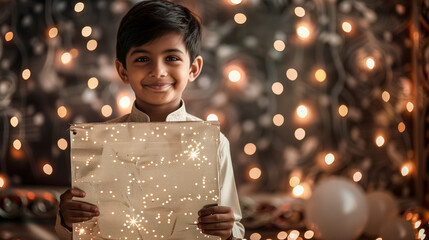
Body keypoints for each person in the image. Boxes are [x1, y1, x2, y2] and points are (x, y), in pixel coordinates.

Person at [55, 1, 245, 239]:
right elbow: (80, 230)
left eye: (172, 58)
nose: (158, 71)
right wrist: (67, 218)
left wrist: (227, 230)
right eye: (143, 59)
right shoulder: (98, 142)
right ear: (123, 70)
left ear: (193, 68)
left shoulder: (214, 143)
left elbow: (234, 229)